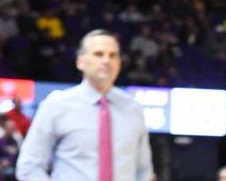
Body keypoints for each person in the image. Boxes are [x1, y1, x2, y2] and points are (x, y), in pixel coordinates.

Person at [15, 30, 151, 181]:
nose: (107, 60)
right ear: (80, 62)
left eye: (113, 55)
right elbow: (29, 166)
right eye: (98, 54)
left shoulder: (133, 108)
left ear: (119, 63)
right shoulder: (56, 105)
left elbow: (144, 170)